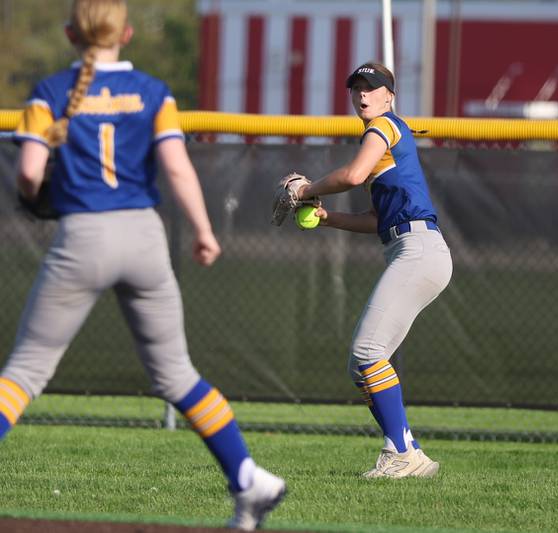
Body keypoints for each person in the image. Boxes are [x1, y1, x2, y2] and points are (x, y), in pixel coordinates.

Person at [0, 1, 283, 529]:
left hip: (84, 236)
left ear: (70, 34)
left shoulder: (51, 92)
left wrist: (37, 195)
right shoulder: (154, 92)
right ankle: (248, 479)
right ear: (126, 34)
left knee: (25, 372)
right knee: (177, 375)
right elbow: (176, 168)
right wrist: (203, 231)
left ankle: (251, 482)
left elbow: (30, 174)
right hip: (144, 238)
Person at [293, 62, 453, 478]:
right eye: (357, 88)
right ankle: (408, 451)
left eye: (372, 87)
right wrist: (327, 218)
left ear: (389, 96)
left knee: (368, 354)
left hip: (419, 250)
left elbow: (353, 174)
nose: (363, 94)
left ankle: (401, 453)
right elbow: (377, 220)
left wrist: (306, 189)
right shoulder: (383, 138)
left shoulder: (383, 126)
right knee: (361, 363)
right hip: (411, 247)